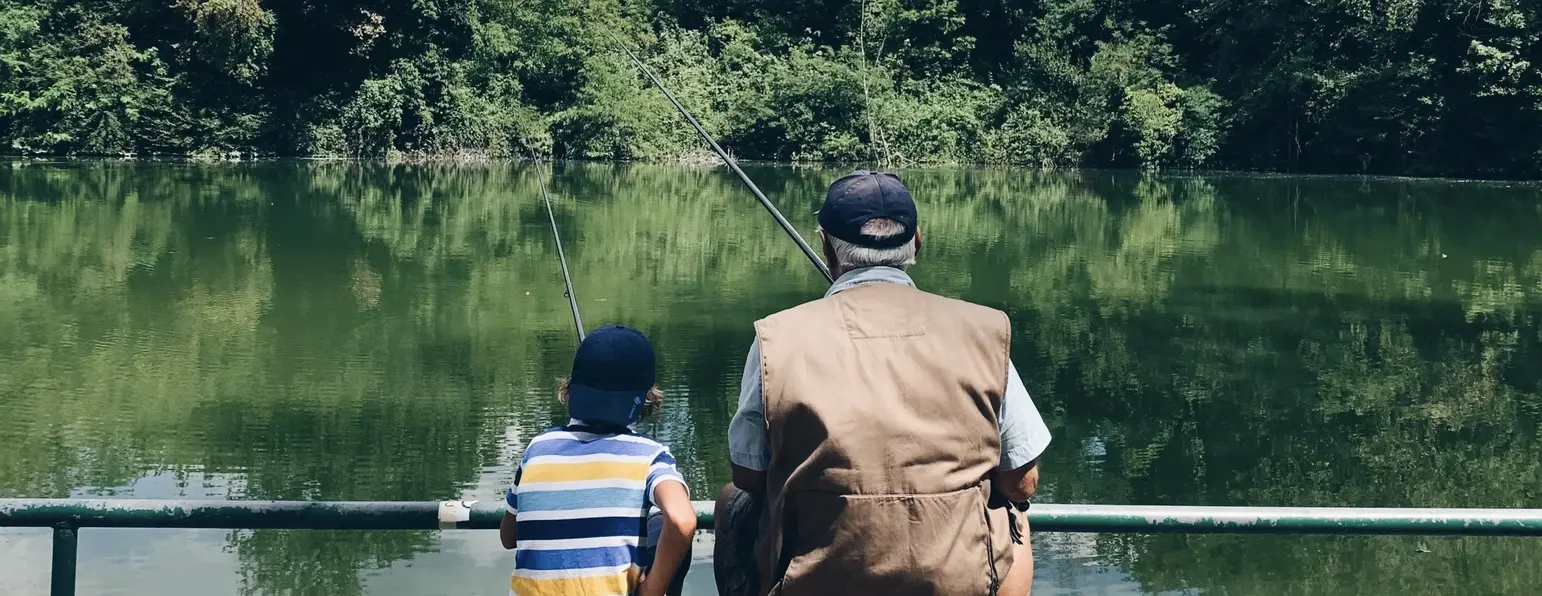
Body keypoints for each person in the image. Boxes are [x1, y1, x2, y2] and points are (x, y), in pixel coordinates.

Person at [714, 171, 1052, 596]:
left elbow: (748, 475)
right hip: (955, 579)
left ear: (825, 247)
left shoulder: (775, 339)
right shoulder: (985, 331)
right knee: (1015, 512)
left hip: (818, 582)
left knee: (730, 500)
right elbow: (1020, 481)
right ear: (918, 243)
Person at [500, 325, 697, 596]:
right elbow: (682, 520)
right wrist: (651, 590)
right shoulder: (650, 456)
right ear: (645, 400)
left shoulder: (537, 449)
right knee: (660, 525)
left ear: (570, 388)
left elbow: (508, 537)